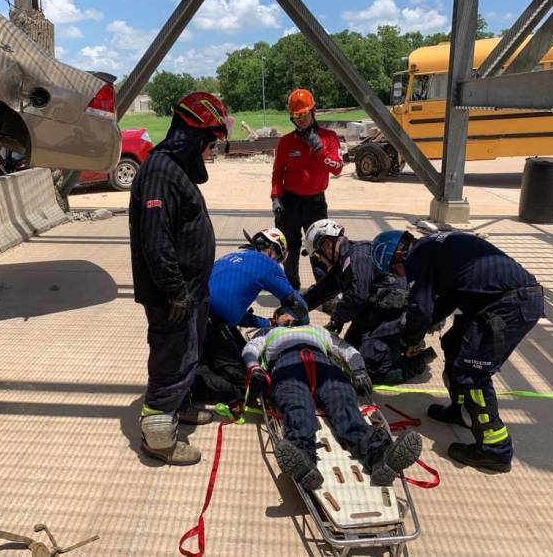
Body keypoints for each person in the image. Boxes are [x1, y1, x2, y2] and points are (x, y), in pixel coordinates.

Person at [372, 230, 545, 472]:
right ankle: (462, 410)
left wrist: (407, 340)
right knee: (453, 342)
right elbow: (447, 298)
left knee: (471, 373)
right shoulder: (432, 246)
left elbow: (420, 309)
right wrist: (426, 325)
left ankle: (495, 450)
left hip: (509, 304)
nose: (399, 276)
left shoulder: (417, 259)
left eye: (395, 270)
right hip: (497, 300)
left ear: (400, 255)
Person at [129, 91, 230, 466]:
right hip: (173, 295)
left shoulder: (175, 171)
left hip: (189, 291)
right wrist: (175, 291)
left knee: (189, 354)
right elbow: (156, 241)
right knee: (172, 358)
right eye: (208, 143)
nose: (209, 151)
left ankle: (181, 405)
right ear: (192, 137)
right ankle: (158, 439)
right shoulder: (159, 172)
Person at [242, 313, 423, 489]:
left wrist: (358, 369)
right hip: (286, 366)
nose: (290, 317)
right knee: (297, 406)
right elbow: (251, 349)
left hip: (323, 365)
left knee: (343, 403)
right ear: (275, 319)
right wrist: (254, 368)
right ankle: (303, 460)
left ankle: (380, 456)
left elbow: (346, 349)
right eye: (284, 314)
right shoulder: (268, 332)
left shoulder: (318, 330)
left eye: (294, 313)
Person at [302, 219, 435, 384]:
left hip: (396, 318)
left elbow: (357, 297)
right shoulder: (345, 261)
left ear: (327, 245)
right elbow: (320, 291)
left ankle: (417, 360)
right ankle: (395, 345)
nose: (319, 261)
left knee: (370, 370)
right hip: (376, 315)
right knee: (348, 353)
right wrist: (293, 307)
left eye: (317, 255)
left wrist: (337, 319)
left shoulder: (358, 256)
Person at [192, 228, 310, 404]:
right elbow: (298, 305)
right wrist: (303, 331)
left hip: (195, 321)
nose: (277, 263)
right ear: (273, 250)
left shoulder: (227, 259)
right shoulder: (267, 263)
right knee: (245, 387)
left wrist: (269, 322)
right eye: (278, 258)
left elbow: (234, 313)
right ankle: (188, 385)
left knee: (238, 358)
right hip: (214, 326)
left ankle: (192, 369)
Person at [271, 88, 344, 291]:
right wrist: (275, 197)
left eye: (304, 114)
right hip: (290, 203)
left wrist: (320, 150)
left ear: (313, 112)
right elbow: (277, 173)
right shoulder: (286, 142)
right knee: (290, 251)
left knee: (322, 248)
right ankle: (292, 291)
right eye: (297, 116)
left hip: (316, 204)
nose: (301, 119)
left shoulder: (329, 138)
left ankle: (323, 292)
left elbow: (337, 168)